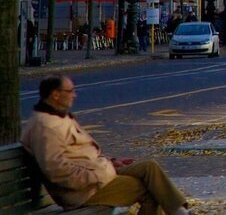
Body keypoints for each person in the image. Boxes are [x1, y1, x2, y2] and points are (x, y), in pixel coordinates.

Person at [23, 75, 190, 214]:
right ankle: (179, 212)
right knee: (147, 189)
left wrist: (110, 162)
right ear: (55, 95)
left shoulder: (58, 117)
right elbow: (57, 172)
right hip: (84, 191)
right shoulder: (45, 127)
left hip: (101, 172)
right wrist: (98, 174)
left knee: (149, 168)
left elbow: (80, 153)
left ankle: (180, 211)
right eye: (70, 91)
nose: (74, 95)